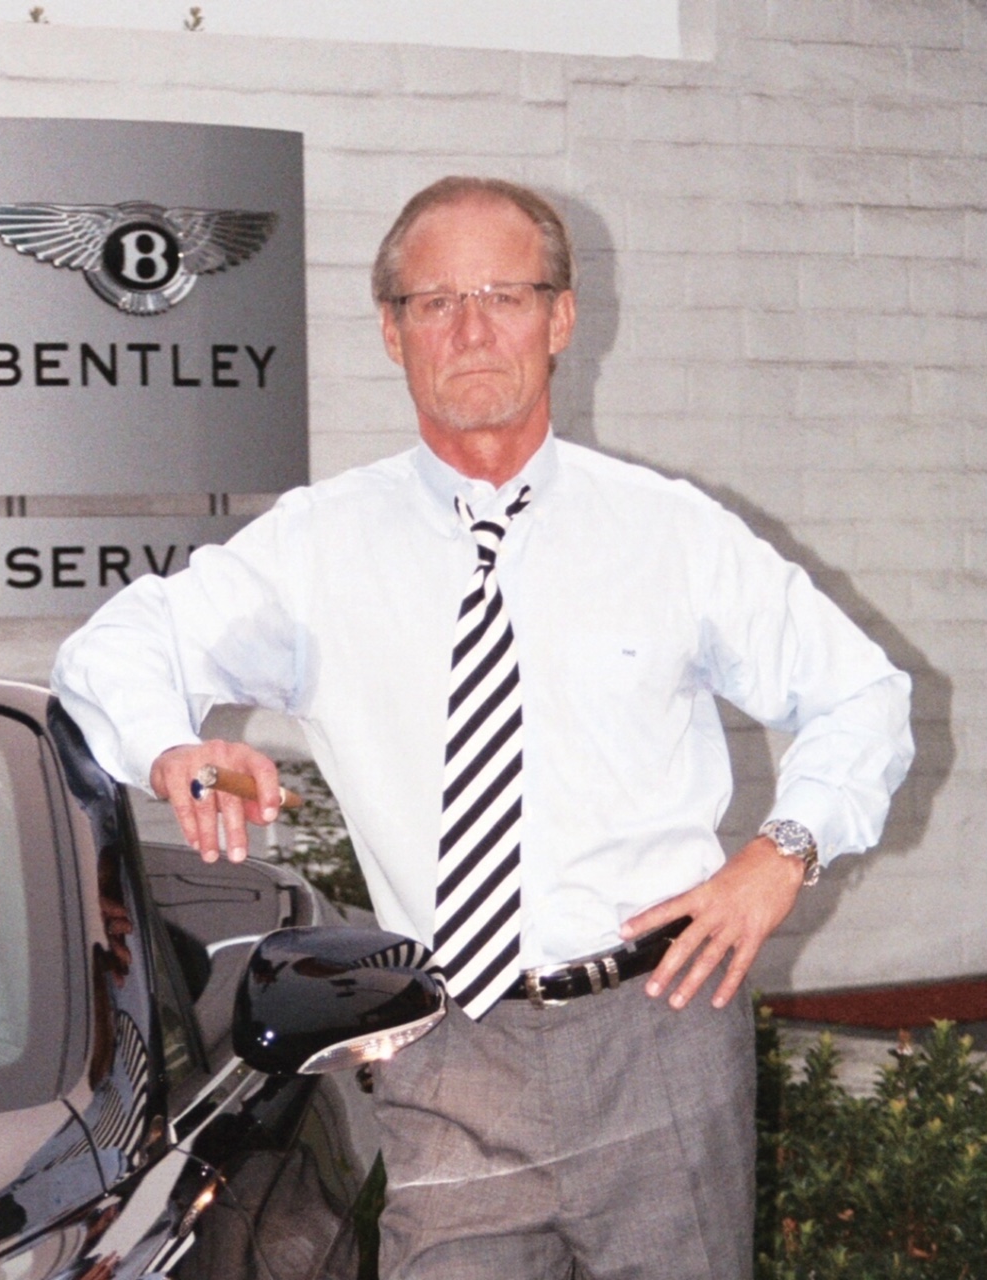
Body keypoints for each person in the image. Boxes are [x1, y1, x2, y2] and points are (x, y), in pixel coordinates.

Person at [52, 176, 913, 1279]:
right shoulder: (319, 546)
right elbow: (115, 648)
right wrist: (172, 745)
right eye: (436, 299)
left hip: (657, 1026)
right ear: (392, 330)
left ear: (560, 318)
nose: (471, 328)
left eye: (504, 294)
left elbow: (864, 692)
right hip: (445, 1049)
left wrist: (780, 853)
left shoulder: (671, 533)